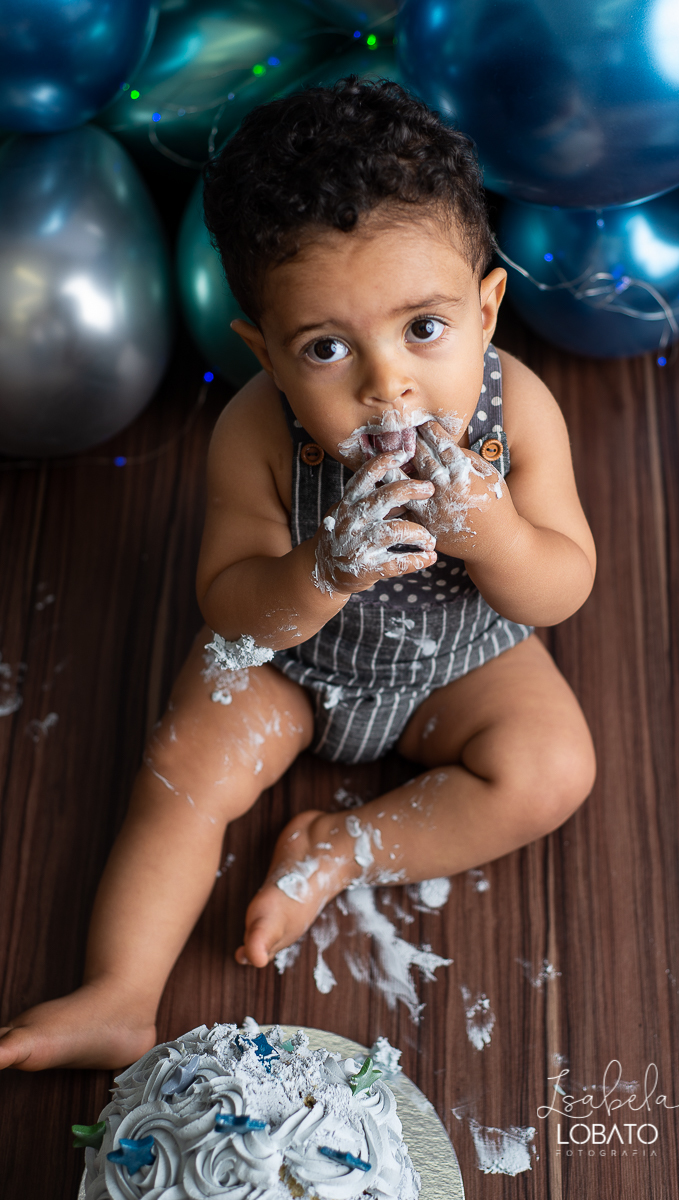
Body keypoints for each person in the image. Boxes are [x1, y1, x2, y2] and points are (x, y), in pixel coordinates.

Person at [0, 79, 596, 1070]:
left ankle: (343, 851)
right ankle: (119, 993)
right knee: (180, 770)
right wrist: (320, 571)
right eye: (325, 348)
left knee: (554, 771)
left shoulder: (516, 414)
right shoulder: (256, 434)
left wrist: (494, 535)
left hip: (460, 667)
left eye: (423, 328)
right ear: (267, 356)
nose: (385, 384)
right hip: (291, 667)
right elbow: (230, 601)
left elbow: (562, 586)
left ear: (487, 310)